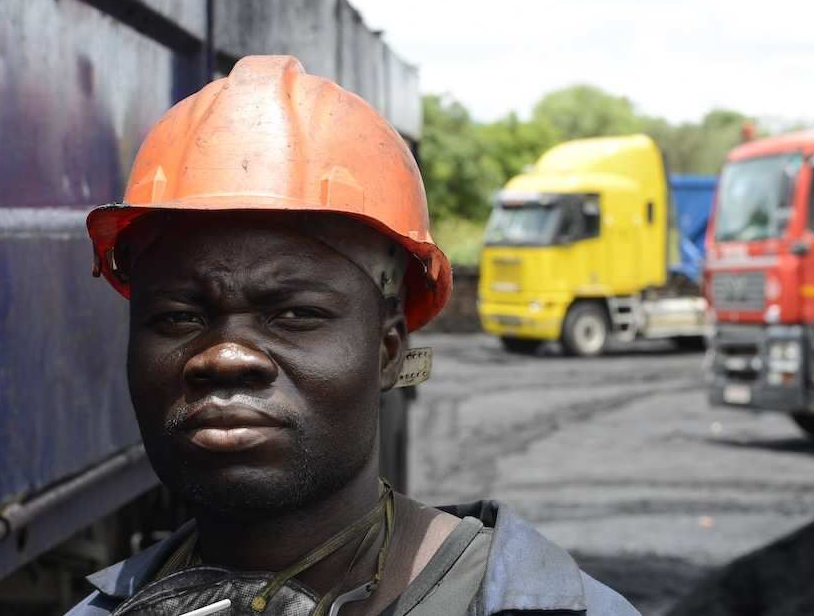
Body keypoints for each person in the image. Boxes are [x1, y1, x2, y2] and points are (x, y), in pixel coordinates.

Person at [69, 56, 637, 616]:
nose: (226, 355)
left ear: (389, 351)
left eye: (293, 315)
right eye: (177, 318)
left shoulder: (539, 606)